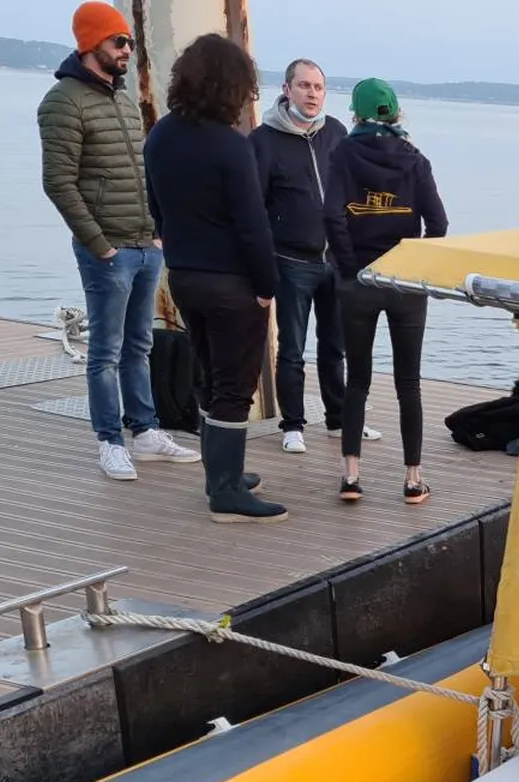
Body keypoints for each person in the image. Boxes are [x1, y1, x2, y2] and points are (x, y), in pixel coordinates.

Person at [38, 1, 199, 481]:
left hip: (145, 245)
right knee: (105, 352)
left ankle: (146, 432)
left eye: (129, 40)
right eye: (118, 41)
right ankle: (109, 441)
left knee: (140, 345)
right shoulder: (63, 102)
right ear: (91, 44)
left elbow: (145, 171)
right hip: (107, 251)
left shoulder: (122, 99)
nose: (128, 49)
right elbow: (58, 183)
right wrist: (98, 244)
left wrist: (158, 232)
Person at [141, 34, 288, 522]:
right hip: (231, 282)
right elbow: (252, 224)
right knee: (233, 385)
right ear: (232, 87)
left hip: (185, 274)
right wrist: (267, 286)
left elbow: (157, 206)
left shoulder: (160, 135)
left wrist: (180, 248)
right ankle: (225, 491)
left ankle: (222, 472)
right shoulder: (230, 146)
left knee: (208, 374)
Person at [323, 78, 448, 504]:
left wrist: (350, 265)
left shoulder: (343, 153)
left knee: (356, 379)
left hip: (358, 282)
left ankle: (351, 478)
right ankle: (413, 481)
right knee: (408, 383)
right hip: (404, 284)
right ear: (395, 113)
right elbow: (439, 226)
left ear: (356, 113)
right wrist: (411, 266)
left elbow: (332, 216)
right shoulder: (415, 160)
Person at [250, 59, 379, 453]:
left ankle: (339, 419)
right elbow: (253, 205)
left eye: (318, 87)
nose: (312, 94)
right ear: (287, 90)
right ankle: (293, 425)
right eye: (304, 86)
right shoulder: (263, 140)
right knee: (292, 348)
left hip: (337, 260)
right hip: (291, 261)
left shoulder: (336, 133)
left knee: (336, 344)